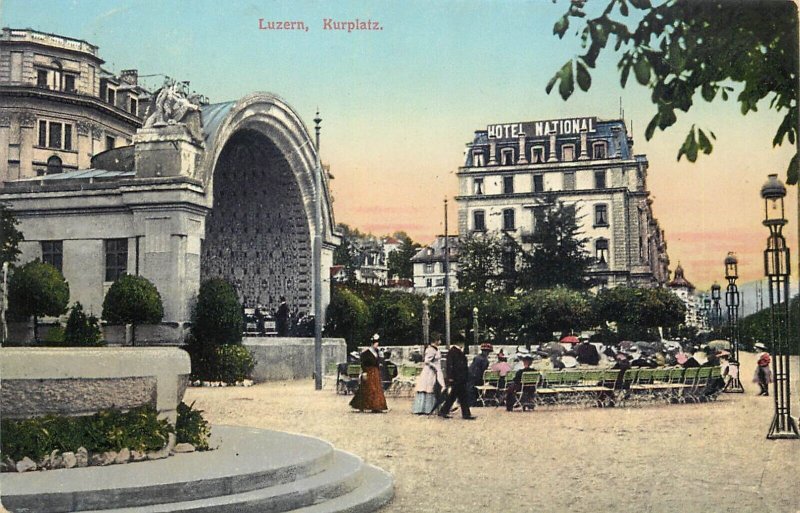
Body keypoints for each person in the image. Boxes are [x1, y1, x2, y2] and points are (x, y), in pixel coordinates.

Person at [349, 334, 388, 413]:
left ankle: (376, 406)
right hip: (369, 371)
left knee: (376, 389)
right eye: (375, 343)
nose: (377, 345)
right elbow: (363, 363)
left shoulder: (377, 352)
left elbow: (379, 362)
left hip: (375, 372)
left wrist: (381, 358)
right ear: (372, 344)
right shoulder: (366, 353)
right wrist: (364, 372)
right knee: (368, 388)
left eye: (377, 343)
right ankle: (363, 405)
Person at [439, 341, 476, 419]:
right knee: (458, 396)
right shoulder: (453, 352)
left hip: (460, 377)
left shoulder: (456, 351)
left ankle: (444, 411)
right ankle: (465, 414)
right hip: (457, 377)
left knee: (457, 396)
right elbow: (450, 365)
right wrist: (450, 377)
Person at [412, 335, 445, 414]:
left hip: (436, 370)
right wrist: (434, 367)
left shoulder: (436, 349)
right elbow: (427, 361)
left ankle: (436, 407)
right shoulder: (430, 350)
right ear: (435, 341)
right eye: (439, 340)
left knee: (437, 387)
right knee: (428, 388)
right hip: (430, 371)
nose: (440, 342)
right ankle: (425, 408)